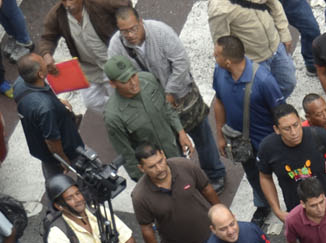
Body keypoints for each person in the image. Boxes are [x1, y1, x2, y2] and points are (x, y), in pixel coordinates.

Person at [110, 7, 228, 188]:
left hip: (182, 98)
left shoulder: (160, 32)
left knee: (202, 136)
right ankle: (186, 182)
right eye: (124, 31)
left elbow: (181, 63)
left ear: (141, 22)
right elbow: (119, 78)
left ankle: (215, 174)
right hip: (152, 108)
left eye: (133, 28)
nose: (130, 35)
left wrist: (169, 93)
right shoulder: (116, 47)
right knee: (169, 147)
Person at [212, 35, 287, 226]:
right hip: (242, 143)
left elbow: (281, 113)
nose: (214, 57)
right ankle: (264, 205)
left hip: (269, 143)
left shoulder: (264, 80)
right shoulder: (220, 72)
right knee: (254, 175)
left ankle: (294, 206)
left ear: (228, 61)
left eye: (217, 54)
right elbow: (219, 101)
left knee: (285, 175)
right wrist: (220, 134)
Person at [258, 103, 326, 217]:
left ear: (300, 121)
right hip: (300, 213)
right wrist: (277, 211)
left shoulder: (320, 136)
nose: (294, 132)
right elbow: (265, 177)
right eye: (287, 128)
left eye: (296, 125)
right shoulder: (267, 148)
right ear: (276, 130)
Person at [104, 57, 192, 176]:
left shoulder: (148, 80)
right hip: (155, 171)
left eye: (133, 76)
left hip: (175, 152)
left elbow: (166, 107)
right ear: (113, 84)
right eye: (125, 81)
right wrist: (147, 183)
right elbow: (127, 155)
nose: (134, 83)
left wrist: (181, 132)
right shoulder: (113, 116)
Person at [36, 0, 124, 113]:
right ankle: (117, 115)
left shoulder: (100, 3)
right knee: (91, 101)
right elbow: (47, 38)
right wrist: (46, 54)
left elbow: (124, 6)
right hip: (88, 67)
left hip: (111, 62)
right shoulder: (58, 14)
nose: (68, 4)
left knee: (119, 97)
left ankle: (124, 117)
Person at [13, 54, 88, 179]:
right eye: (43, 63)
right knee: (85, 176)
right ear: (40, 75)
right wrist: (63, 160)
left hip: (40, 149)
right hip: (66, 150)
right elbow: (52, 141)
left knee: (51, 177)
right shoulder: (46, 108)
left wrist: (56, 102)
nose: (46, 63)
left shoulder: (19, 84)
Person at [207, 0, 297, 99]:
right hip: (254, 61)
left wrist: (284, 32)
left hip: (277, 48)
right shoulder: (219, 7)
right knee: (257, 96)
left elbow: (274, 4)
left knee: (288, 83)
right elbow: (222, 43)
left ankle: (276, 105)